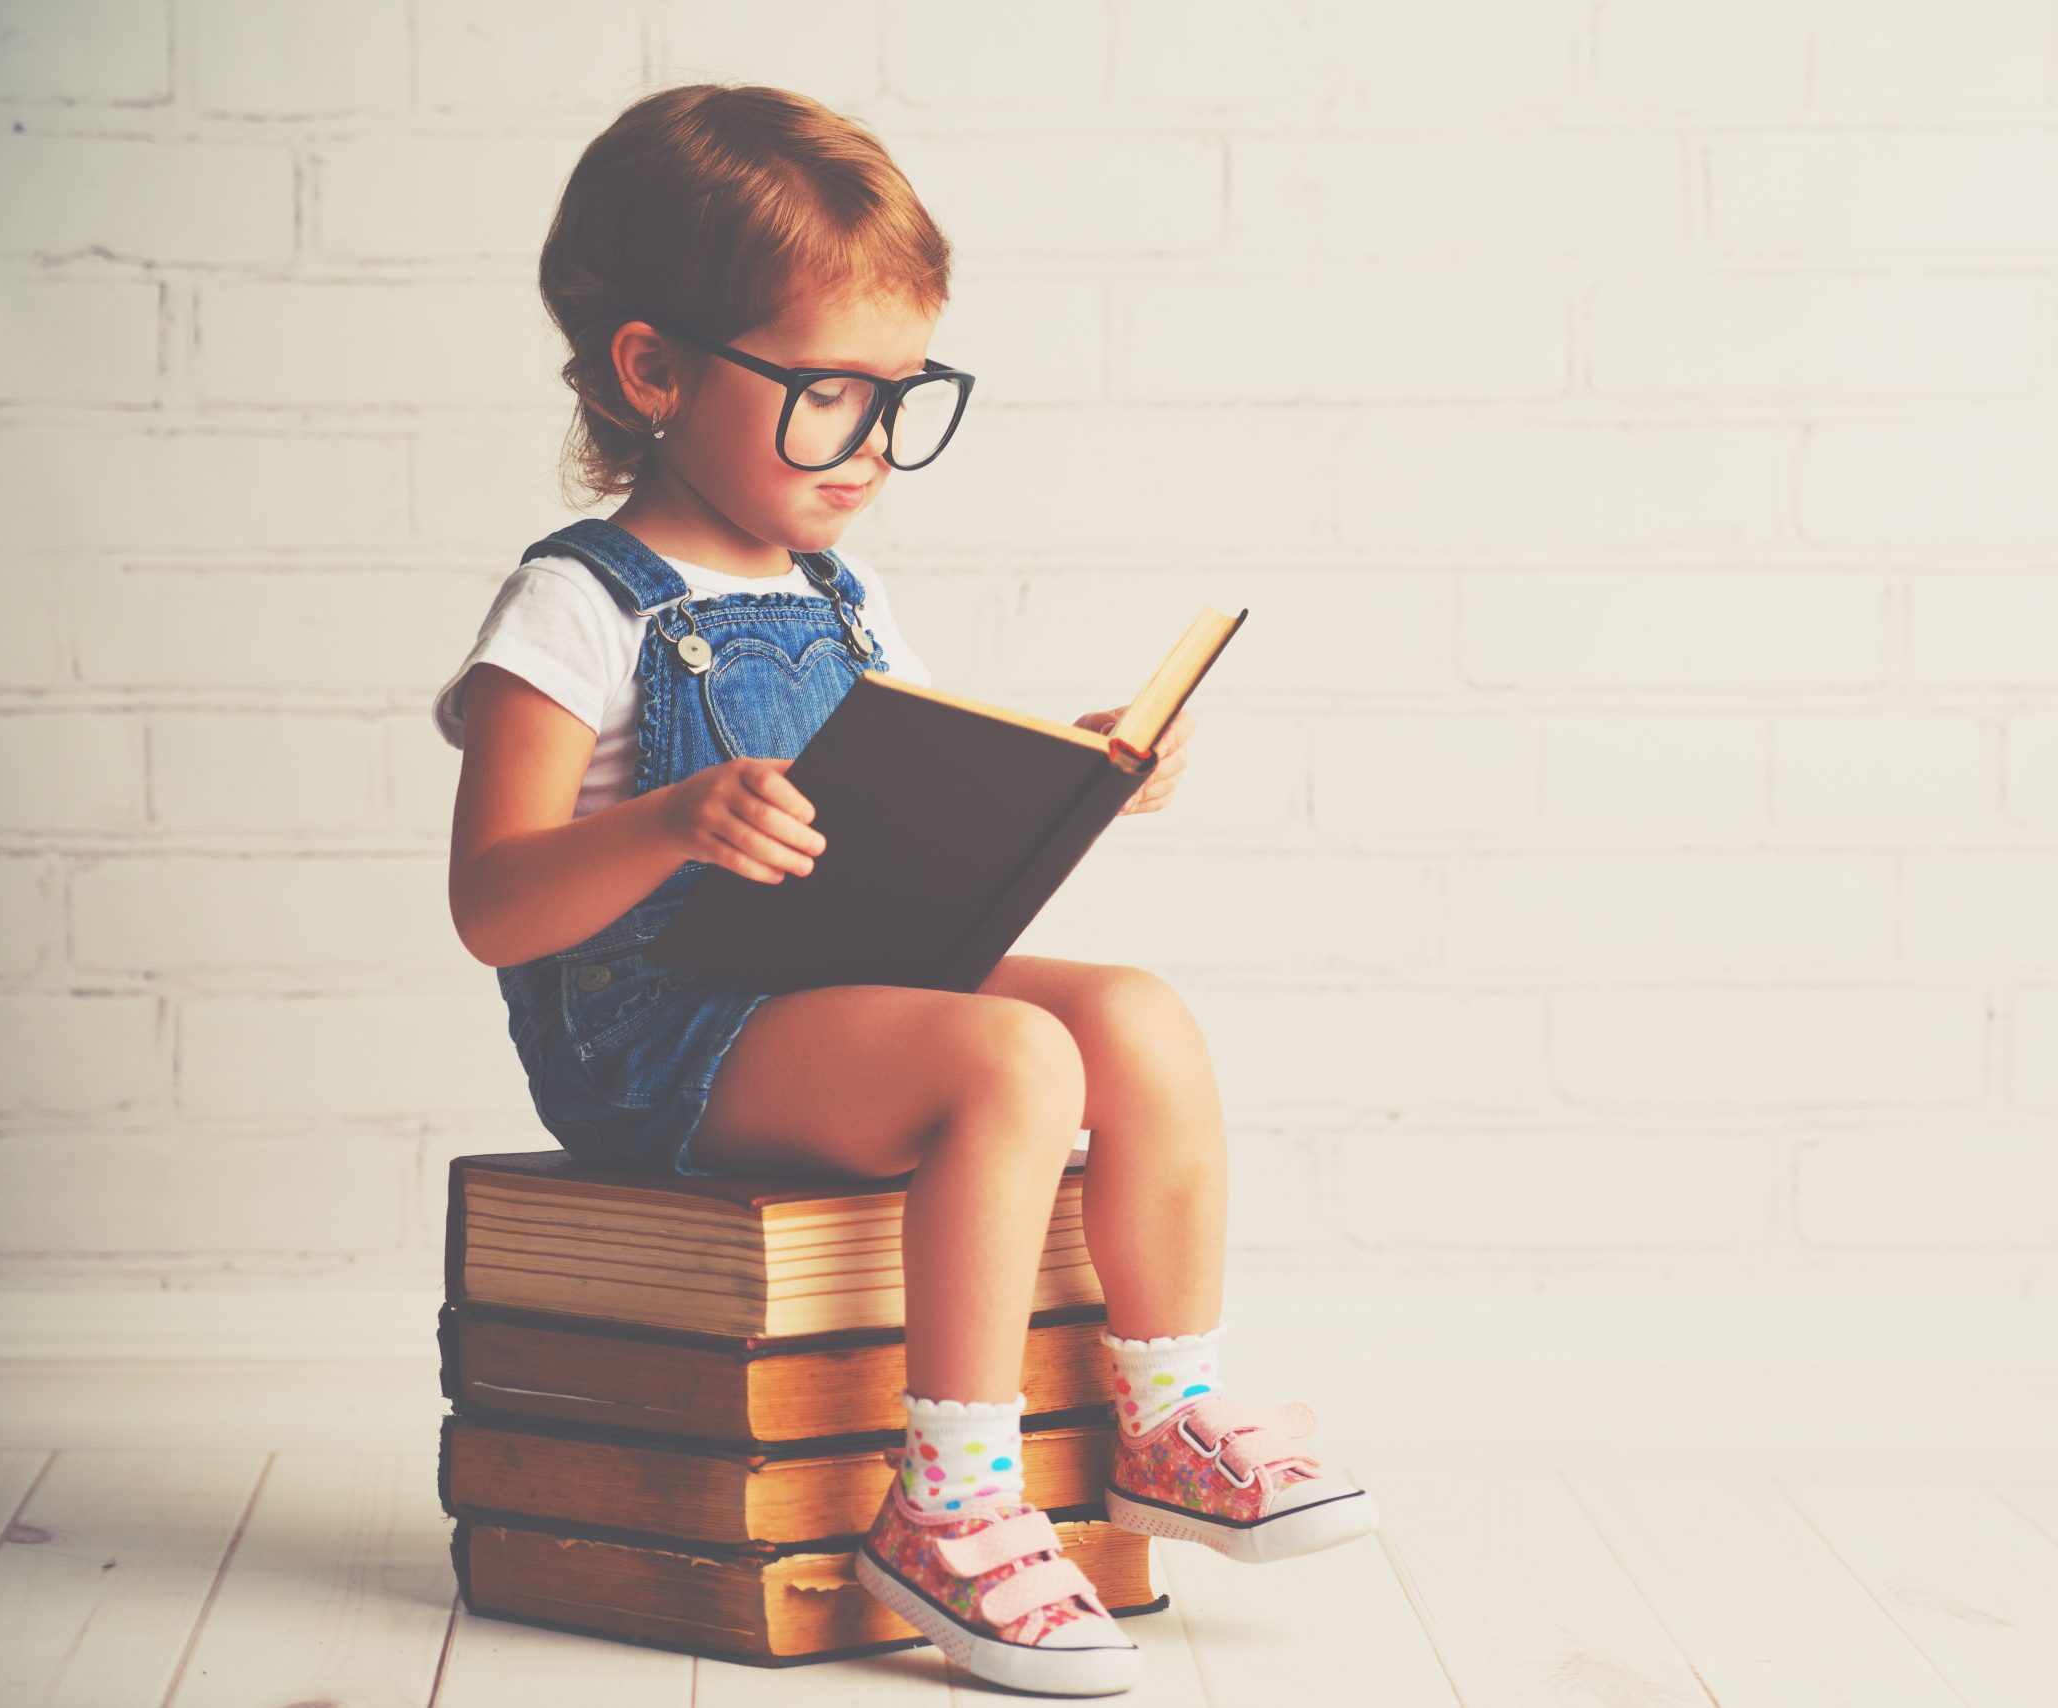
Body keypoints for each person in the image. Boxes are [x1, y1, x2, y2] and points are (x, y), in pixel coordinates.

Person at [428, 83, 1378, 1697]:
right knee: (1011, 1060)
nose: (871, 444)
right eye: (827, 395)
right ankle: (948, 1499)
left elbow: (907, 807)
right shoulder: (576, 604)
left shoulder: (839, 596)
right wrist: (668, 823)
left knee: (1135, 1017)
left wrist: (1067, 778)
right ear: (655, 370)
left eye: (898, 396)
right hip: (666, 1044)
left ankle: (1165, 1415)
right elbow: (492, 906)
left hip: (837, 980)